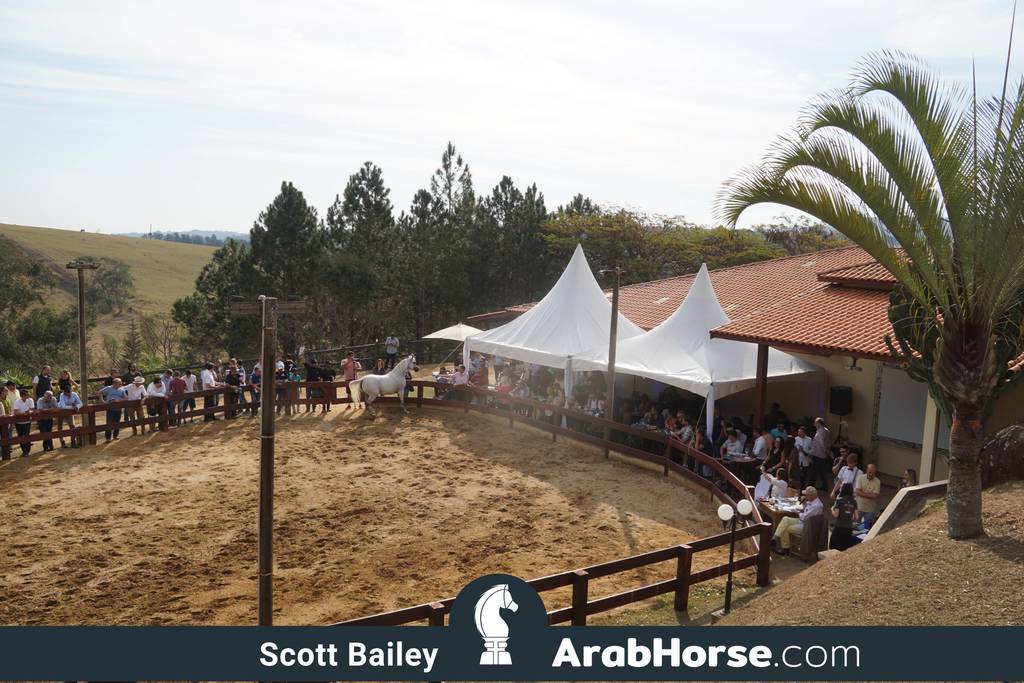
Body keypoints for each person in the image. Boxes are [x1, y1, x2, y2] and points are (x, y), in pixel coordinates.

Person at [773, 486, 823, 554]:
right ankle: (775, 537)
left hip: (808, 526)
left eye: (806, 495)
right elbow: (806, 511)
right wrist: (804, 503)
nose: (805, 496)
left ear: (811, 496)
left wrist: (798, 513)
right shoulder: (812, 501)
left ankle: (785, 548)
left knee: (785, 528)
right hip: (803, 522)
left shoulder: (817, 506)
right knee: (785, 519)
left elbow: (804, 517)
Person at [830, 482, 859, 551]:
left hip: (839, 527)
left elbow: (836, 515)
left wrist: (832, 509)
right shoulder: (854, 501)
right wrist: (848, 516)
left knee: (833, 547)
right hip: (848, 528)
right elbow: (856, 517)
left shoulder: (839, 501)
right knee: (844, 548)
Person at [56, 382, 82, 448]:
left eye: (69, 392)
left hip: (69, 412)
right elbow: (63, 406)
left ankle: (73, 442)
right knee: (60, 427)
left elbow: (80, 403)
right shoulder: (62, 395)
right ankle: (62, 442)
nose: (69, 394)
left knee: (72, 425)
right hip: (60, 412)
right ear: (64, 392)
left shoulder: (74, 394)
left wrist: (77, 407)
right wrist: (73, 407)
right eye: (67, 393)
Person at [810, 417, 832, 490]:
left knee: (816, 471)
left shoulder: (821, 431)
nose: (814, 424)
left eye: (815, 423)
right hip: (820, 454)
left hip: (819, 455)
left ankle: (815, 485)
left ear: (819, 423)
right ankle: (821, 486)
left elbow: (822, 443)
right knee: (820, 471)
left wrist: (827, 452)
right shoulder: (825, 430)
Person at [12, 388, 35, 456]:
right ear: (22, 395)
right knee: (21, 436)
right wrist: (24, 413)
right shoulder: (17, 402)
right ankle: (24, 451)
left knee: (26, 435)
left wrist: (28, 412)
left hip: (27, 421)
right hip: (18, 422)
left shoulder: (30, 400)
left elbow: (32, 409)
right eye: (27, 395)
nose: (28, 396)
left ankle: (27, 451)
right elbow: (15, 412)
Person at [0, 385, 12, 459]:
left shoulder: (7, 399)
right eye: (5, 390)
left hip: (7, 420)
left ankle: (5, 452)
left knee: (6, 436)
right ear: (1, 392)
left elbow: (9, 409)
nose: (7, 392)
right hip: (2, 420)